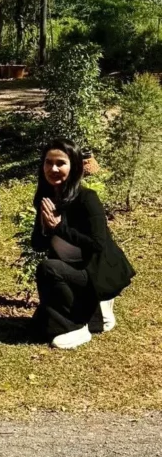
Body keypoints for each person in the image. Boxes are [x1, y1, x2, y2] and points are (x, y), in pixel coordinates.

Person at [31, 138, 135, 349]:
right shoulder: (45, 197)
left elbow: (97, 244)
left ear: (74, 166)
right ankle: (92, 314)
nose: (53, 168)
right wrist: (45, 227)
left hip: (93, 271)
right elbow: (38, 245)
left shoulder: (87, 198)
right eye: (48, 163)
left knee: (47, 269)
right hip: (69, 270)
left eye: (60, 163)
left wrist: (59, 228)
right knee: (37, 328)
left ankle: (77, 327)